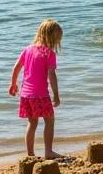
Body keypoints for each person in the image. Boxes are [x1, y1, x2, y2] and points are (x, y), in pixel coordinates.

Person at [8, 19, 62, 159]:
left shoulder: (28, 49)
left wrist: (13, 84)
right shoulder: (49, 54)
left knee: (32, 123)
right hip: (40, 95)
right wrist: (56, 94)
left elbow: (17, 67)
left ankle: (30, 154)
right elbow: (51, 74)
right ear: (51, 38)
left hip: (26, 95)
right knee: (49, 120)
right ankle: (48, 152)